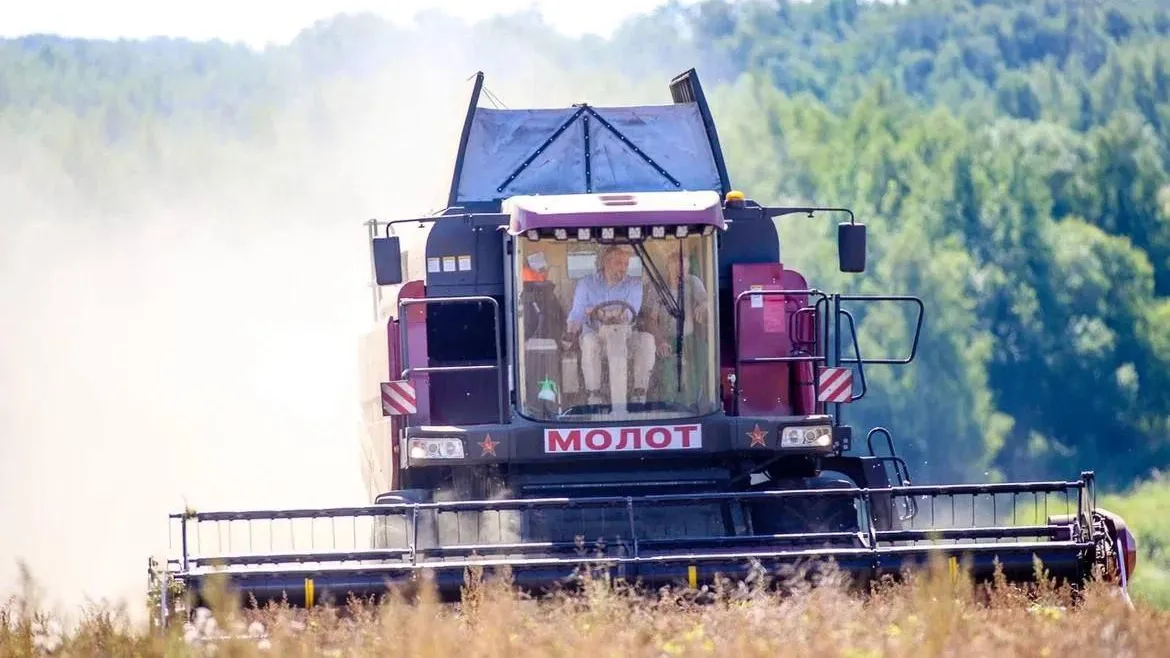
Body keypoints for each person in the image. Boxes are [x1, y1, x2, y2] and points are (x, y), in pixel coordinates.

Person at [564, 245, 656, 406]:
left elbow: (629, 313)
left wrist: (601, 313)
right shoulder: (586, 283)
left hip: (626, 336)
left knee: (647, 340)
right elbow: (578, 312)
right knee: (589, 343)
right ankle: (595, 395)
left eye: (626, 264)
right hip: (596, 334)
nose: (623, 268)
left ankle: (639, 394)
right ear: (606, 262)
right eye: (619, 263)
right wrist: (573, 325)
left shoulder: (634, 285)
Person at [644, 250, 709, 409]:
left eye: (684, 270)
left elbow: (707, 301)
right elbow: (650, 320)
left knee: (703, 352)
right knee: (668, 370)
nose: (680, 273)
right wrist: (660, 341)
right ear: (667, 266)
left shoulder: (693, 282)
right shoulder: (657, 287)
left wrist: (704, 305)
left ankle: (692, 402)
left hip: (689, 338)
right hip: (665, 338)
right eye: (676, 269)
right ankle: (669, 406)